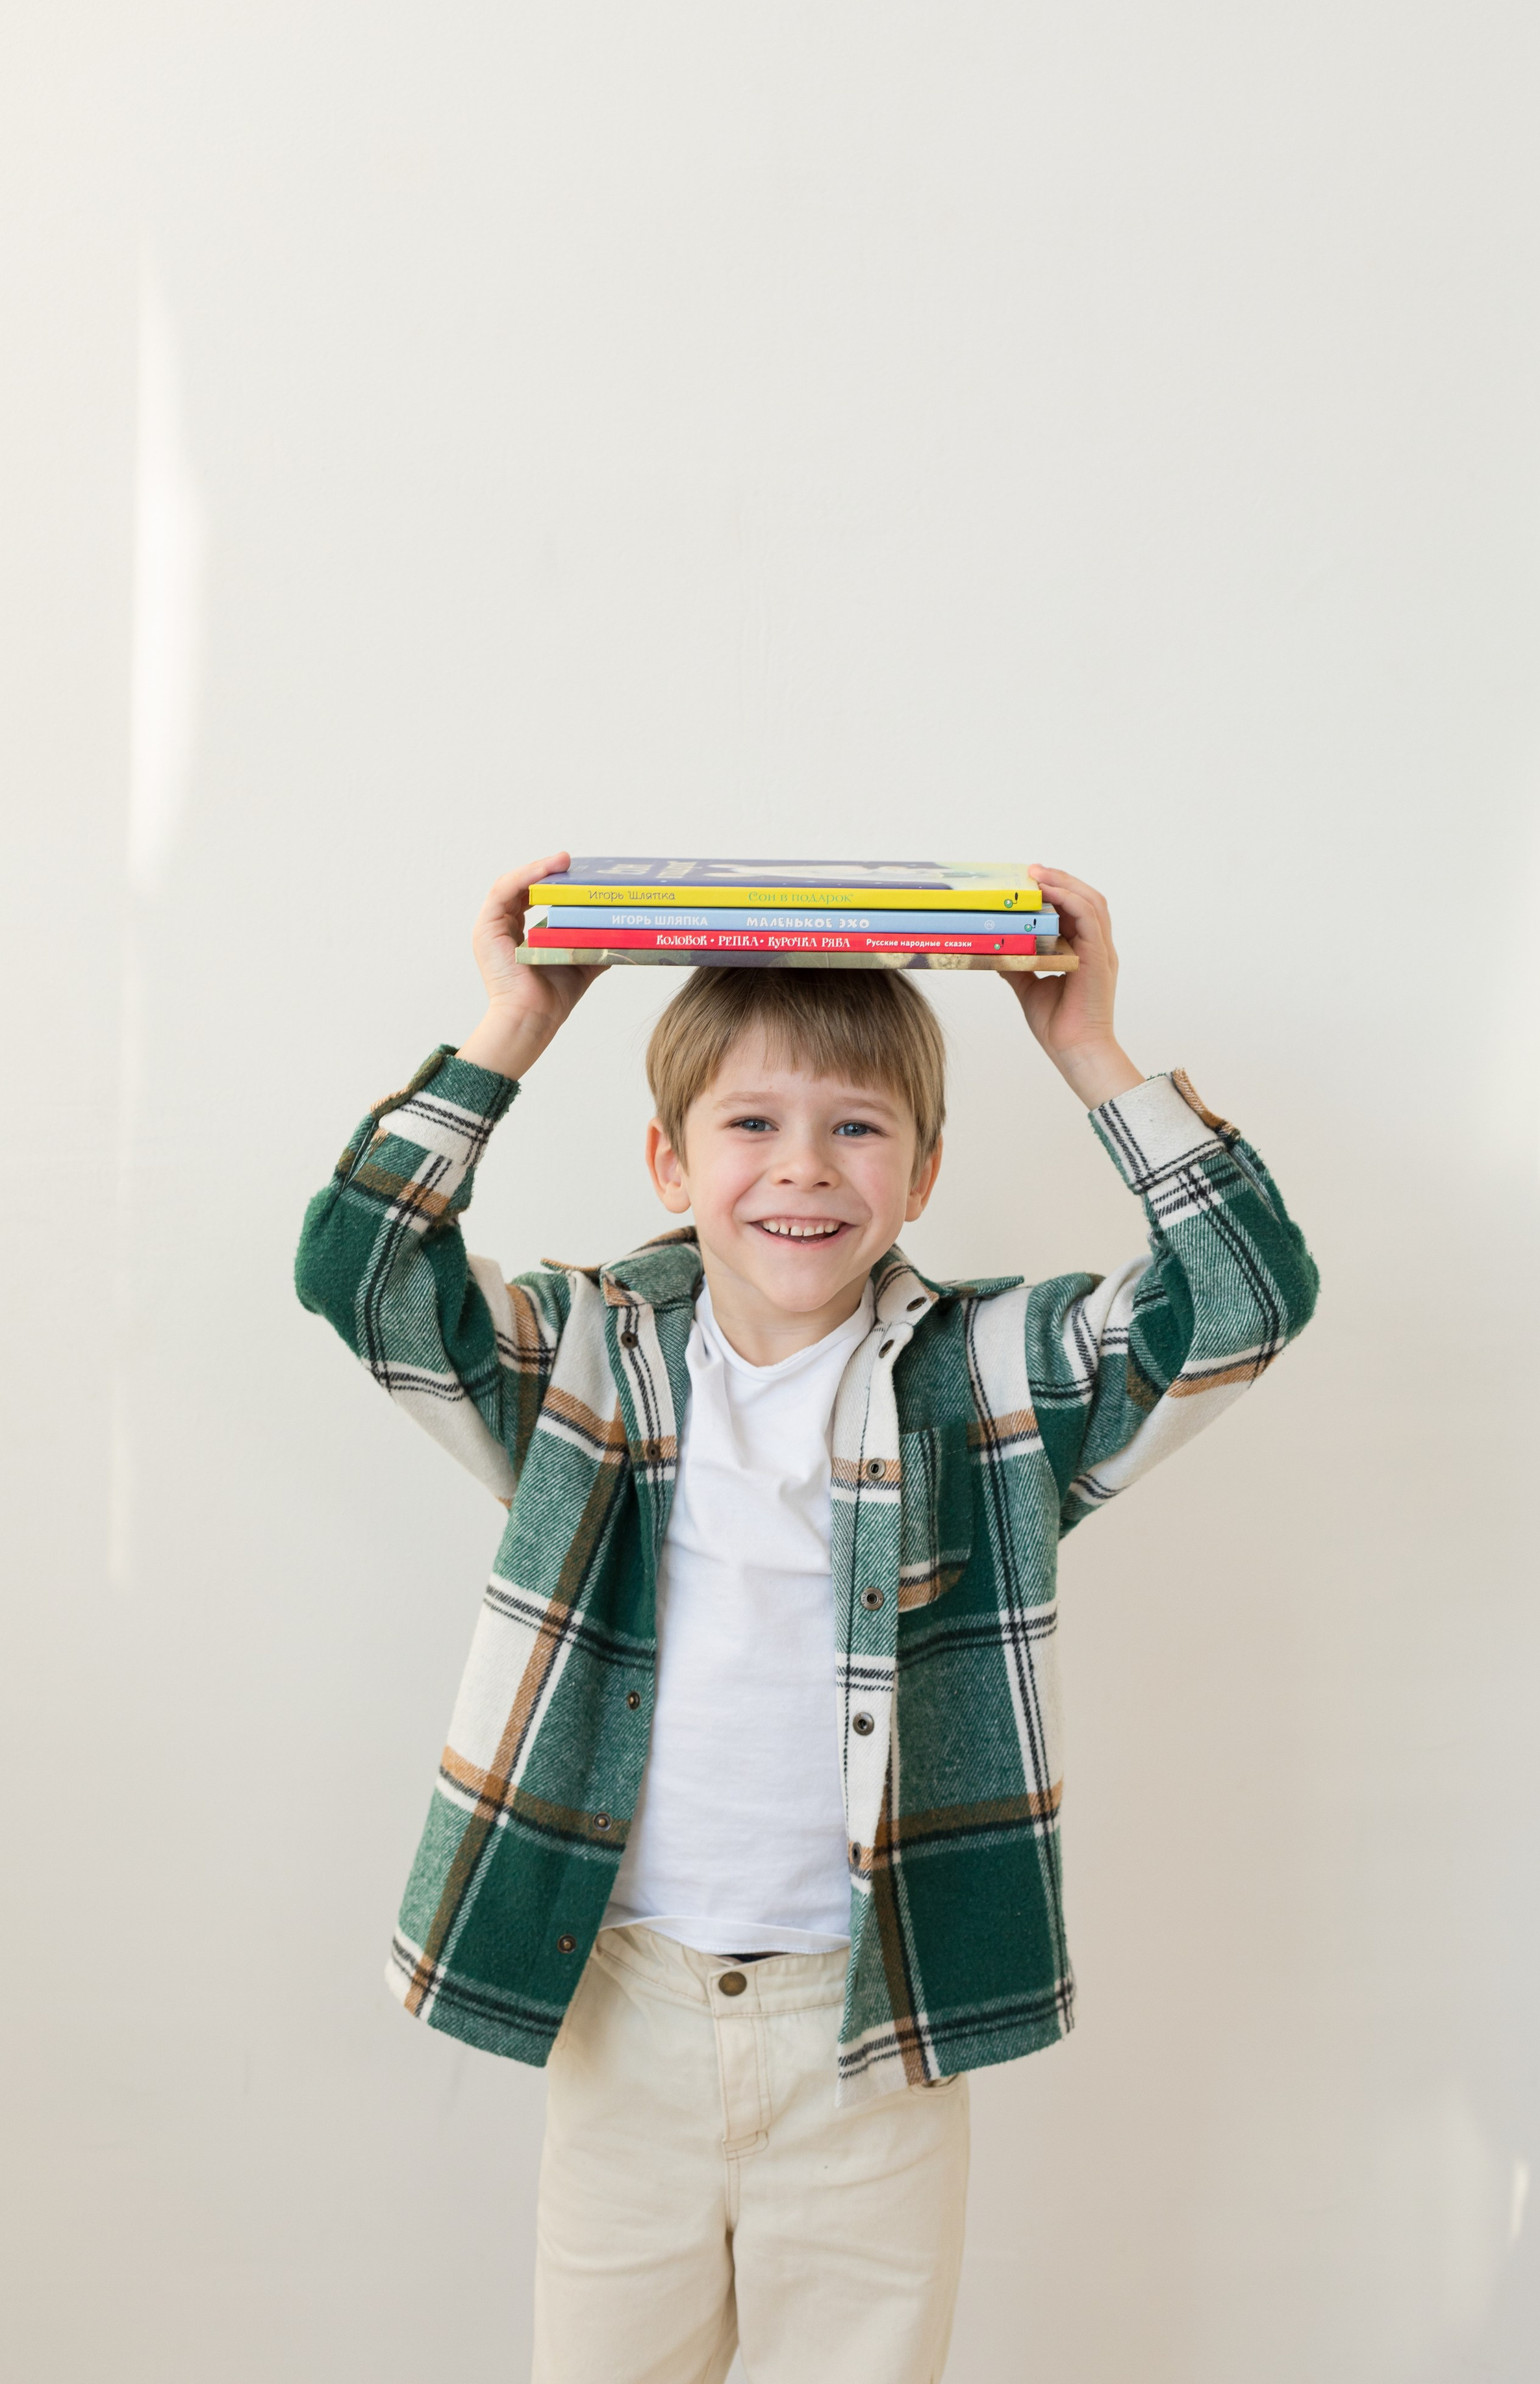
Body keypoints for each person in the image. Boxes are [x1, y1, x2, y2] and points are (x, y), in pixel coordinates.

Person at [295, 853, 1319, 2384]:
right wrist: (519, 1021)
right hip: (623, 2007)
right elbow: (358, 1268)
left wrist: (1086, 1046)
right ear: (667, 1159)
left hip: (870, 2024)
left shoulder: (990, 1382)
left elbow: (1244, 1295)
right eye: (751, 1127)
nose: (803, 1170)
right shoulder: (590, 1358)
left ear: (918, 1173)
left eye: (856, 1130)